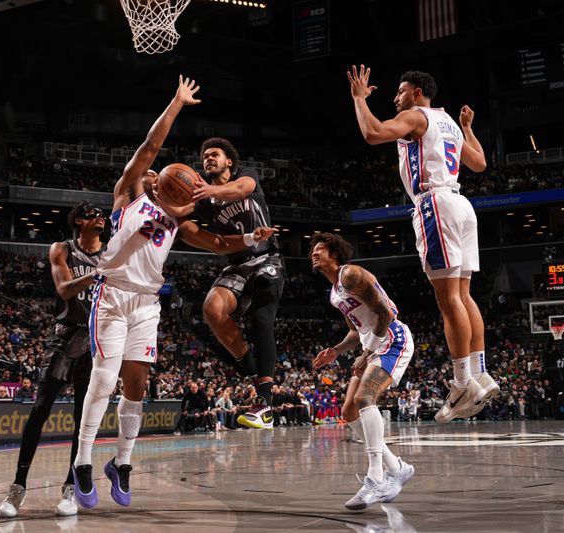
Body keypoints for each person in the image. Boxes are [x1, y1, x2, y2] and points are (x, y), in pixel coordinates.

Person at [71, 75, 275, 510]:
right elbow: (149, 145)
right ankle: (83, 461)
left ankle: (121, 464)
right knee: (104, 381)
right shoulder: (126, 196)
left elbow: (220, 243)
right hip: (111, 295)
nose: (149, 171)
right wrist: (178, 103)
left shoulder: (178, 217)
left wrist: (250, 238)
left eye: (156, 173)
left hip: (147, 302)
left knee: (137, 387)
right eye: (150, 170)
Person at [346, 65, 498, 422]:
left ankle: (462, 382)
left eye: (400, 92)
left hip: (435, 205)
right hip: (462, 205)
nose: (395, 98)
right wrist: (468, 130)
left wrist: (357, 99)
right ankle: (479, 372)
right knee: (464, 295)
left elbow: (372, 132)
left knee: (448, 300)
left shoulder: (415, 116)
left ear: (416, 92)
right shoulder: (447, 122)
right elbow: (479, 163)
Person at [0, 201, 105, 518]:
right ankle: (17, 488)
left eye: (102, 214)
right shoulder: (63, 248)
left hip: (96, 339)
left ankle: (70, 489)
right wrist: (98, 274)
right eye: (93, 214)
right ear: (79, 222)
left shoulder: (112, 253)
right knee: (40, 410)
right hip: (65, 334)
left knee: (82, 420)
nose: (100, 217)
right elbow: (64, 288)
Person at [172, 137, 285, 429]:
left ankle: (266, 404)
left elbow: (242, 189)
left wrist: (209, 190)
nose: (209, 158)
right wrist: (156, 189)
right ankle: (253, 376)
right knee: (211, 308)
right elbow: (176, 212)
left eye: (215, 154)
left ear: (229, 161)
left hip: (266, 257)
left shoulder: (247, 174)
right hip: (236, 263)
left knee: (261, 320)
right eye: (205, 156)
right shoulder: (204, 202)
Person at [309, 233, 415, 510]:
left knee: (365, 398)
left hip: (393, 340)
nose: (314, 253)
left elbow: (385, 314)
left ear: (335, 254)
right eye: (313, 250)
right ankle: (397, 467)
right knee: (349, 412)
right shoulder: (335, 292)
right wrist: (337, 350)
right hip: (372, 345)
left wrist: (367, 353)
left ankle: (376, 478)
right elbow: (356, 330)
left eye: (320, 249)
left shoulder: (352, 275)